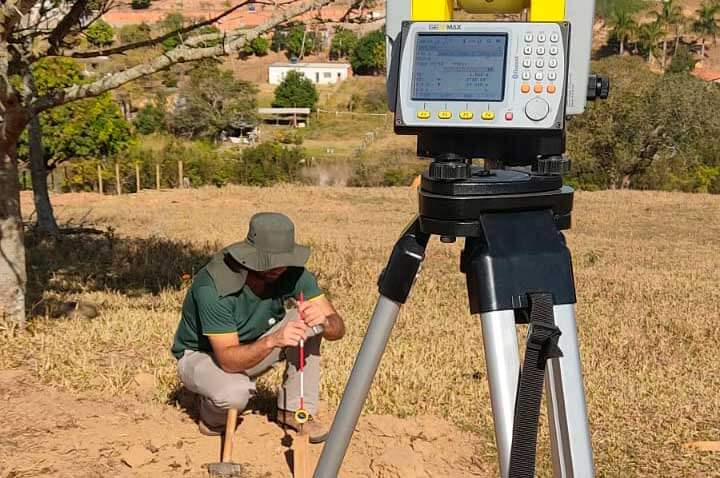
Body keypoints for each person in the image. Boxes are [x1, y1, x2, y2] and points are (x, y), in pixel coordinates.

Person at [171, 212, 345, 442]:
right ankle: (209, 411)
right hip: (206, 356)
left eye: (283, 260)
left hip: (253, 346)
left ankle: (293, 410)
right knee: (234, 393)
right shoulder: (214, 285)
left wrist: (324, 321)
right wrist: (273, 340)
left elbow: (338, 328)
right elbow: (228, 360)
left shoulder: (292, 272)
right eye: (269, 261)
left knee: (307, 323)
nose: (278, 267)